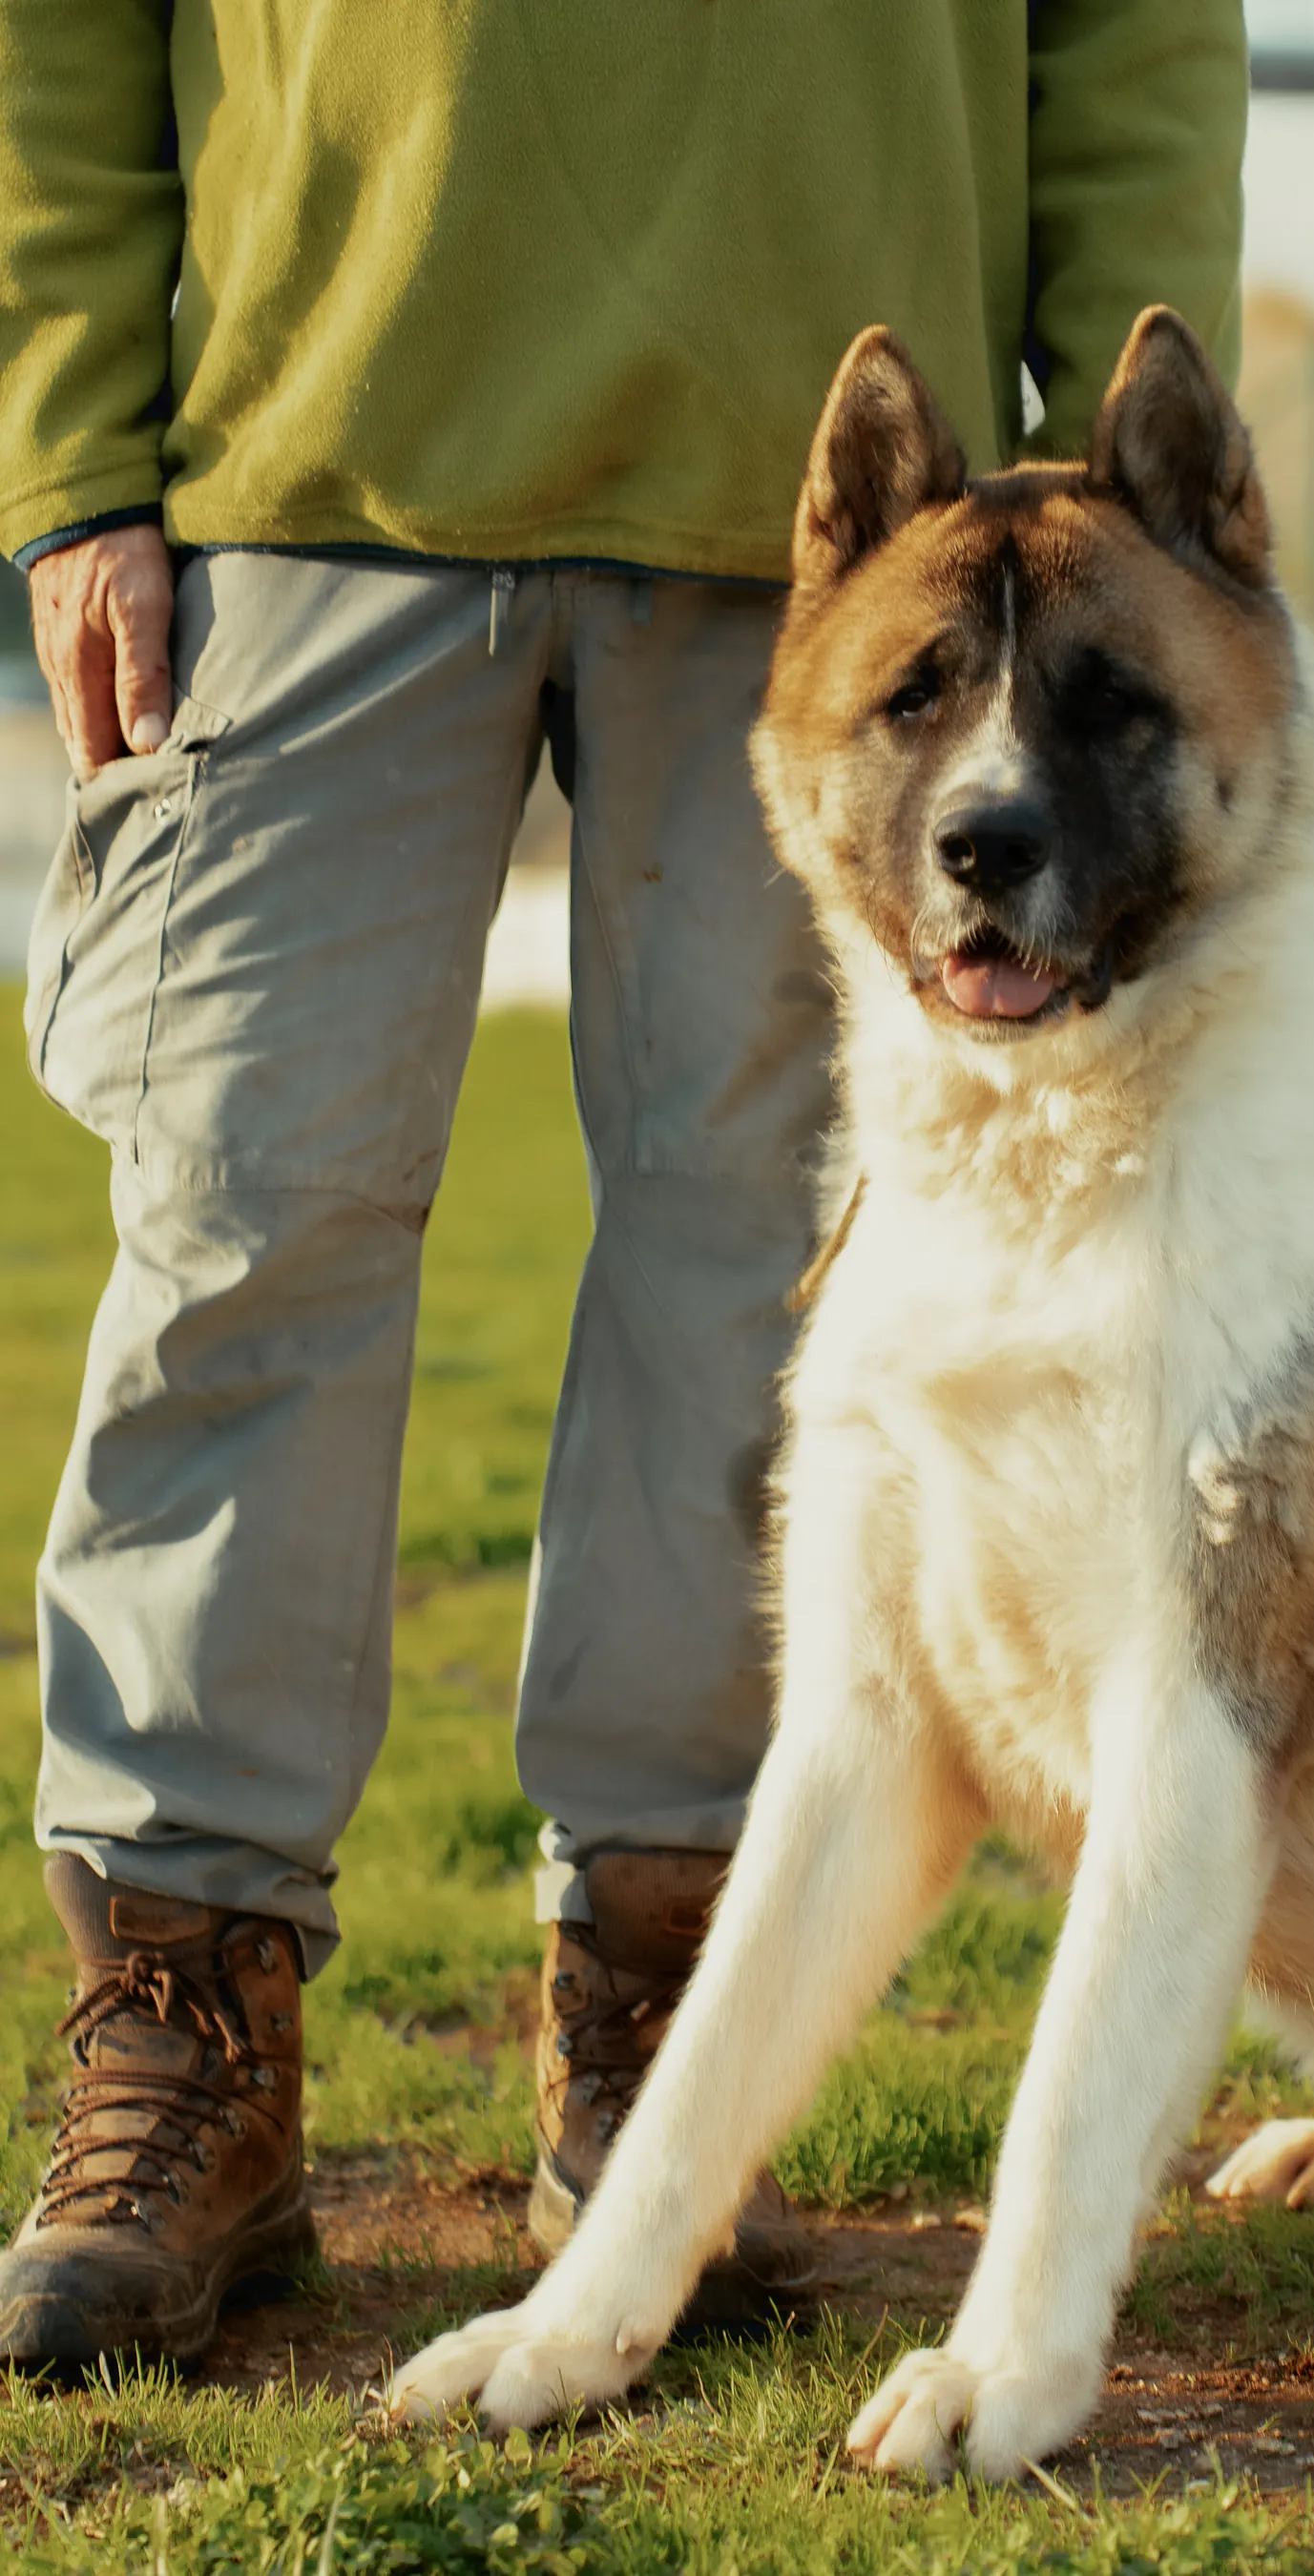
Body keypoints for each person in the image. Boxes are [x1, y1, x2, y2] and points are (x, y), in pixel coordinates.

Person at [0, 6, 1247, 2364]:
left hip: (830, 520)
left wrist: (1131, 509)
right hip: (312, 463)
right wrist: (74, 457)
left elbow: (1141, 26)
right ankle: (188, 2033)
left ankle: (664, 2026)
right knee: (245, 1234)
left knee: (760, 1291)